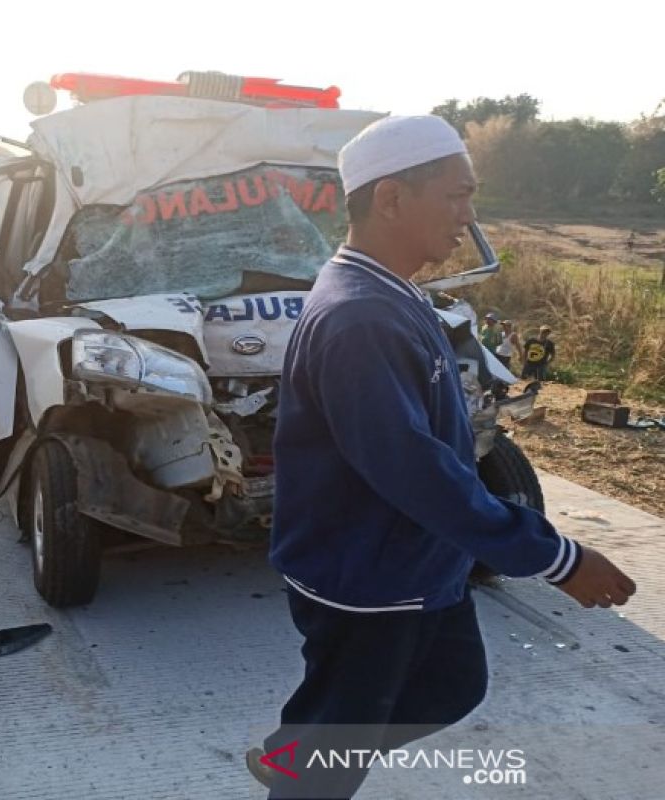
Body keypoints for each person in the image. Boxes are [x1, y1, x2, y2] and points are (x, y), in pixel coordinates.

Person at [244, 116, 635, 799]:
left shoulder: (393, 294)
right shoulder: (359, 317)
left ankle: (302, 756)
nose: (469, 214)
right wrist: (556, 557)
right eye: (456, 194)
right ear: (391, 199)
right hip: (367, 580)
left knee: (453, 685)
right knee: (337, 754)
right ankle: (302, 769)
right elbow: (415, 471)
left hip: (417, 564)